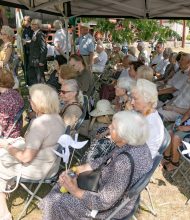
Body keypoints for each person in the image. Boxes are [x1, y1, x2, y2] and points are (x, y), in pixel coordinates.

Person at [40, 111, 153, 220]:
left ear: (124, 136)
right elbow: (102, 161)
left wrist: (74, 190)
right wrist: (74, 170)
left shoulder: (124, 162)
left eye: (113, 128)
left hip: (109, 209)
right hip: (106, 191)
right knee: (63, 181)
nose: (109, 127)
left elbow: (103, 202)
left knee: (53, 201)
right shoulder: (137, 144)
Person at [0, 84, 65, 220]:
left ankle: (4, 213)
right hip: (51, 164)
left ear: (38, 103)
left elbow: (25, 158)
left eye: (30, 98)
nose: (29, 100)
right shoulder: (57, 117)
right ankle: (6, 187)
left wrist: (7, 146)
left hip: (39, 169)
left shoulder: (40, 124)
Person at [130, 79, 164, 159]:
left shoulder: (151, 124)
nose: (131, 102)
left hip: (139, 160)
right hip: (133, 152)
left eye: (135, 99)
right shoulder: (142, 113)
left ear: (147, 100)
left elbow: (139, 154)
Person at [0, 68, 24, 138]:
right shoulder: (16, 93)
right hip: (16, 129)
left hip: (8, 135)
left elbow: (2, 125)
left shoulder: (3, 100)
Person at [27, 19, 47, 85]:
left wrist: (41, 61)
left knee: (40, 79)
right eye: (31, 24)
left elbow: (43, 48)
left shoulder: (40, 34)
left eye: (33, 24)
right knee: (34, 79)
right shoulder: (34, 33)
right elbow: (34, 46)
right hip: (33, 60)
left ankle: (44, 93)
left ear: (37, 26)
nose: (31, 25)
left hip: (38, 60)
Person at [21, 16, 33, 82]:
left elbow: (33, 41)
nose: (23, 21)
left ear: (28, 21)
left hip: (30, 50)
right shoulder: (24, 29)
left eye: (24, 20)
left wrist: (26, 42)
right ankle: (27, 80)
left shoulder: (31, 29)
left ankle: (30, 81)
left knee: (29, 66)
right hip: (25, 50)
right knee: (24, 65)